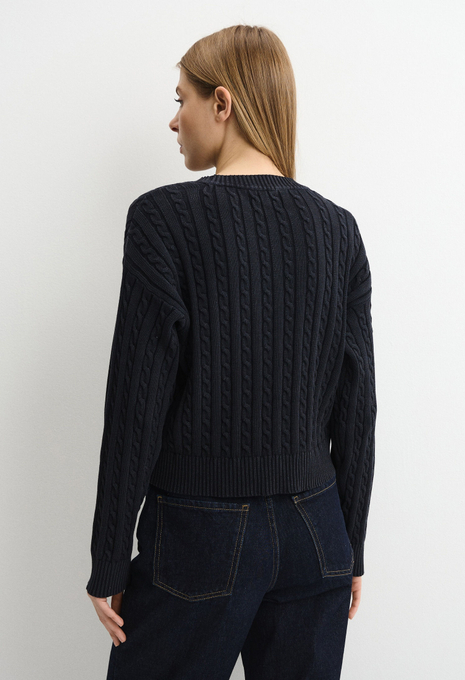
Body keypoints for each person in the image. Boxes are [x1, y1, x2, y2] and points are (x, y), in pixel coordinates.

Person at [86, 24, 376, 680]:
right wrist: (350, 547)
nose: (173, 119)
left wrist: (108, 560)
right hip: (317, 536)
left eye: (181, 98)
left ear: (222, 103)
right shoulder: (339, 230)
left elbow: (136, 402)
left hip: (198, 538)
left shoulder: (161, 219)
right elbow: (358, 406)